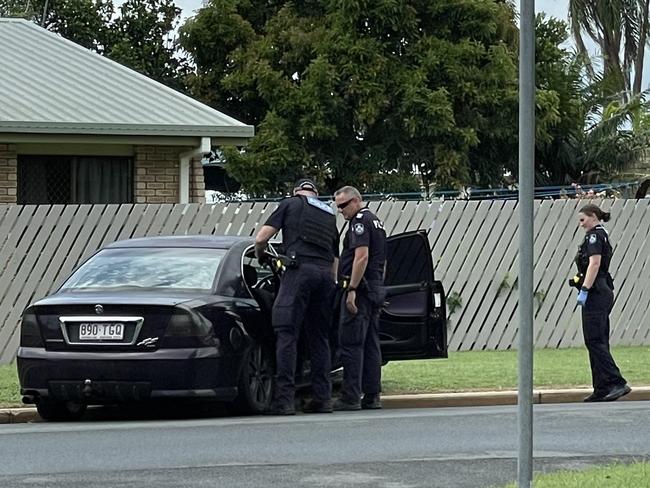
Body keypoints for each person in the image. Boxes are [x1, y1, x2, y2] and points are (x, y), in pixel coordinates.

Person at [254, 178, 339, 415]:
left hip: (299, 271)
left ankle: (284, 401)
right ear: (316, 193)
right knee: (319, 337)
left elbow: (262, 238)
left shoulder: (290, 204)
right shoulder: (328, 213)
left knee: (286, 333)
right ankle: (323, 399)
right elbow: (335, 258)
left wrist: (261, 255)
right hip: (325, 277)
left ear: (296, 192)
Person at [333, 186, 386, 411]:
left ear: (356, 201)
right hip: (374, 288)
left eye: (344, 205)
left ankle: (351, 396)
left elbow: (361, 257)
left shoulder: (359, 222)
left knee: (352, 343)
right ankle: (372, 395)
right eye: (338, 207)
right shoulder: (376, 222)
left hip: (361, 290)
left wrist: (352, 288)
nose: (341, 211)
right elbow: (383, 261)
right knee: (371, 343)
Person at [574, 203, 631, 403]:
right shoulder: (601, 234)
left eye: (583, 220)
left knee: (595, 340)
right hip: (602, 289)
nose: (581, 224)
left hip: (596, 291)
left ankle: (616, 382)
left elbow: (594, 263)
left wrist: (585, 289)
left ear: (593, 217)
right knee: (597, 340)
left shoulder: (594, 236)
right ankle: (601, 387)